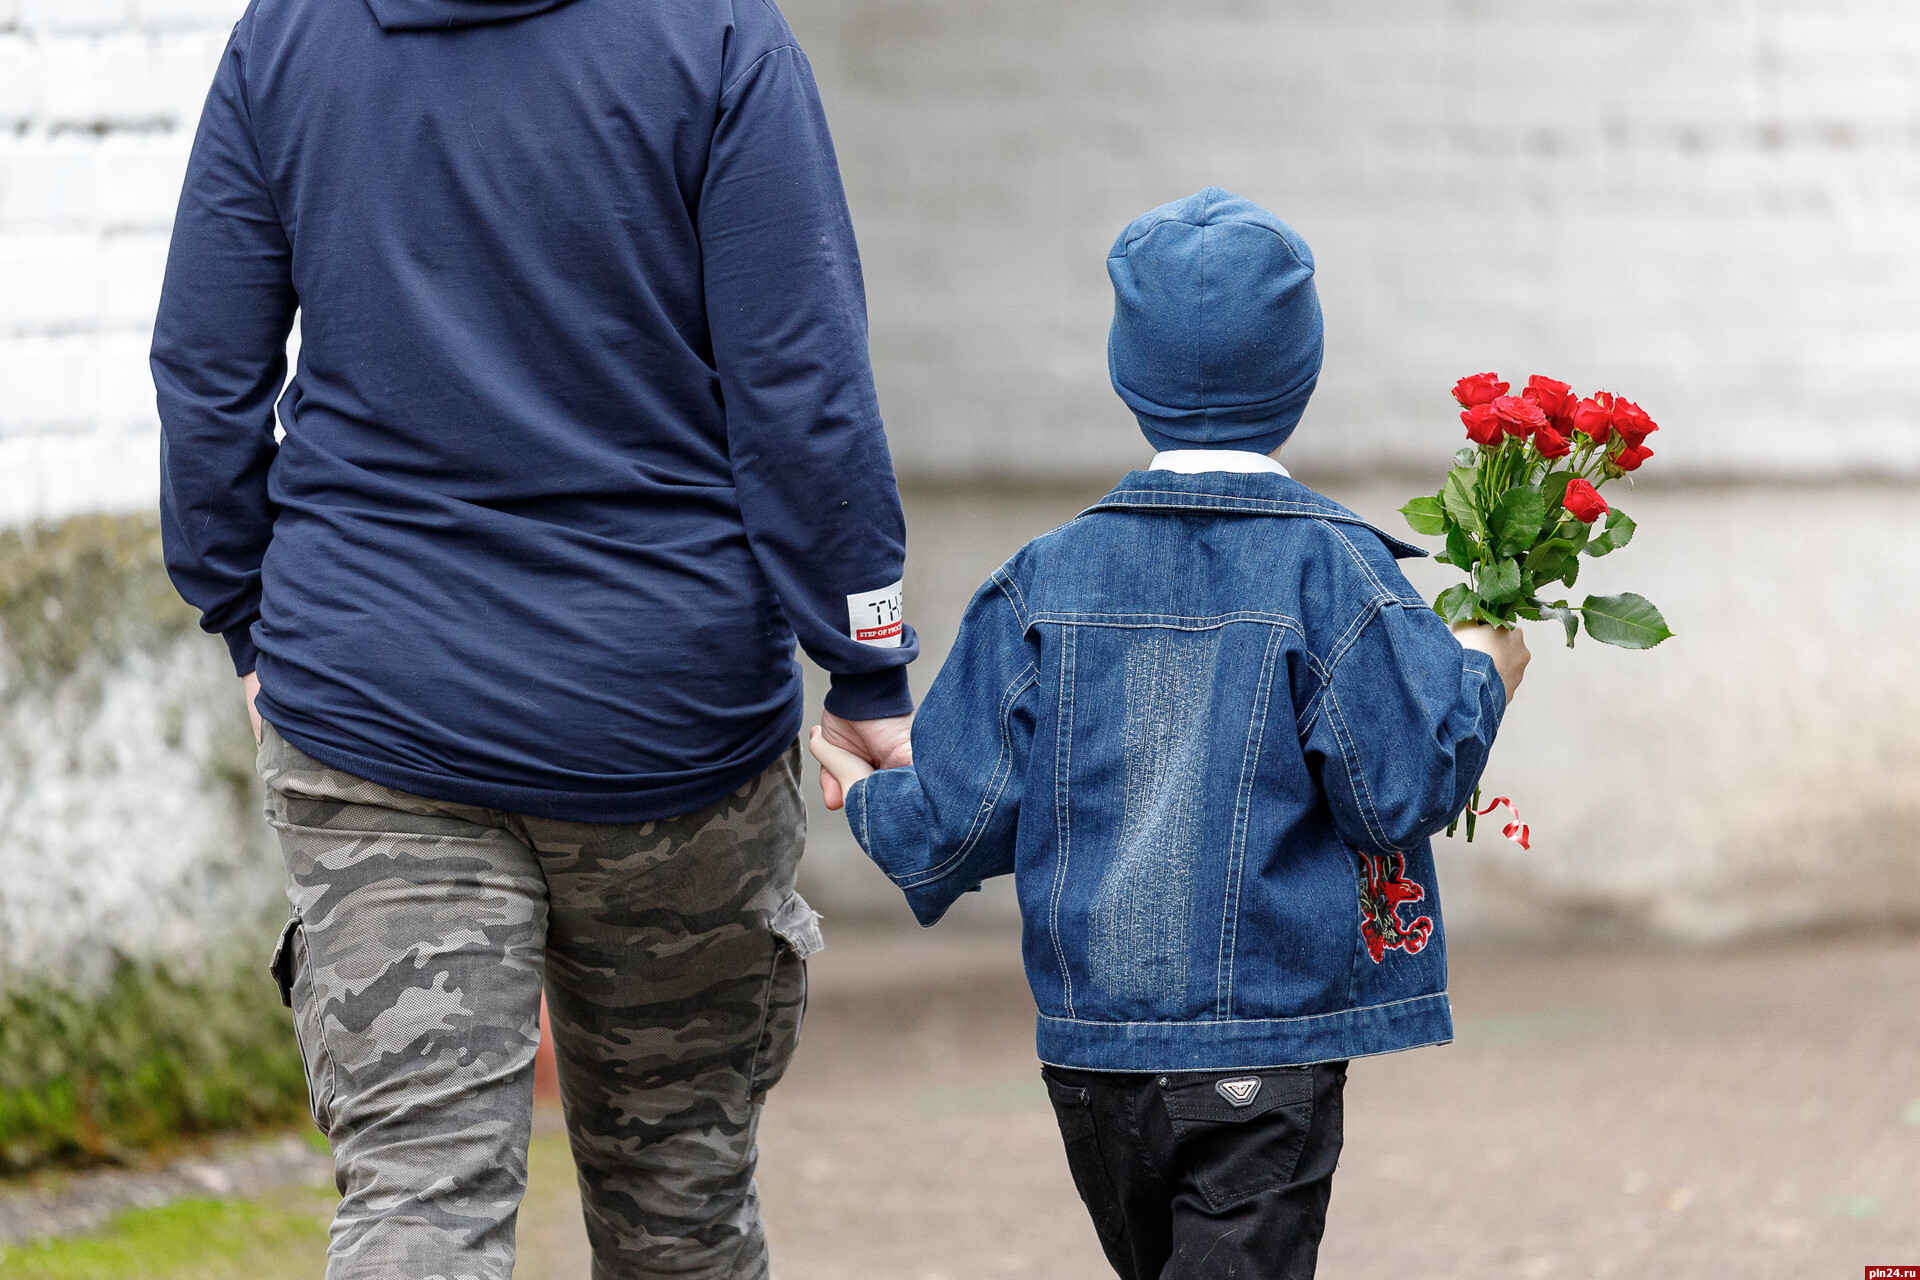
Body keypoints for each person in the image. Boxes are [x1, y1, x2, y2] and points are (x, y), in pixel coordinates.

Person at [150, 1, 916, 1275]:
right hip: (664, 723)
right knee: (680, 1200)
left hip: (372, 702)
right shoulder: (717, 34)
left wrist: (242, 616)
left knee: (414, 1199)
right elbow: (805, 387)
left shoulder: (290, 32)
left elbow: (203, 369)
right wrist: (867, 653)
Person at [809, 188, 1529, 1280]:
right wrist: (1482, 672)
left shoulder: (1042, 577)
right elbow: (1400, 788)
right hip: (1266, 1053)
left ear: (1124, 375)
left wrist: (866, 787)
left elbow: (952, 826)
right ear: (1304, 374)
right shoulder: (1338, 570)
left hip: (1093, 1058)